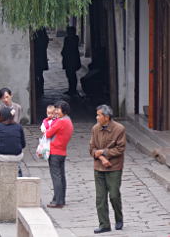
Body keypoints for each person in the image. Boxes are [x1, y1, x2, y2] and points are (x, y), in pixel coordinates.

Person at [89, 104, 125, 234]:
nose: (97, 117)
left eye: (99, 115)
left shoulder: (119, 129)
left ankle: (119, 218)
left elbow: (120, 149)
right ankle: (104, 224)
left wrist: (103, 152)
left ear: (107, 117)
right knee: (100, 197)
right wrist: (102, 158)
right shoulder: (95, 129)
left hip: (114, 167)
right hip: (99, 167)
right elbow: (92, 148)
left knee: (114, 195)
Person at [45, 100, 73, 208]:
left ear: (64, 110)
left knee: (56, 176)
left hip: (55, 151)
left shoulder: (60, 121)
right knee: (61, 176)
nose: (56, 111)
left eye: (58, 109)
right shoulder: (68, 121)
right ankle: (61, 199)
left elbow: (48, 134)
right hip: (62, 151)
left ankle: (57, 200)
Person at [0, 107, 26, 177]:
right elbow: (23, 145)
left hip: (2, 156)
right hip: (17, 156)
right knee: (17, 152)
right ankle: (19, 174)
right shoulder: (19, 127)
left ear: (2, 116)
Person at [61, 26, 81, 96]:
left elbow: (72, 48)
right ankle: (70, 89)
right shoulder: (66, 38)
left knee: (72, 74)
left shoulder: (75, 38)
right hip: (67, 59)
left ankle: (73, 89)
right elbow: (65, 47)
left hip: (73, 59)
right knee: (69, 74)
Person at [33, 28, 49, 96]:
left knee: (38, 74)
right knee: (39, 75)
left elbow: (37, 46)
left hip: (39, 59)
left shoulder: (41, 39)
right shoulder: (44, 38)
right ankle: (39, 89)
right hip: (41, 58)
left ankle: (39, 89)